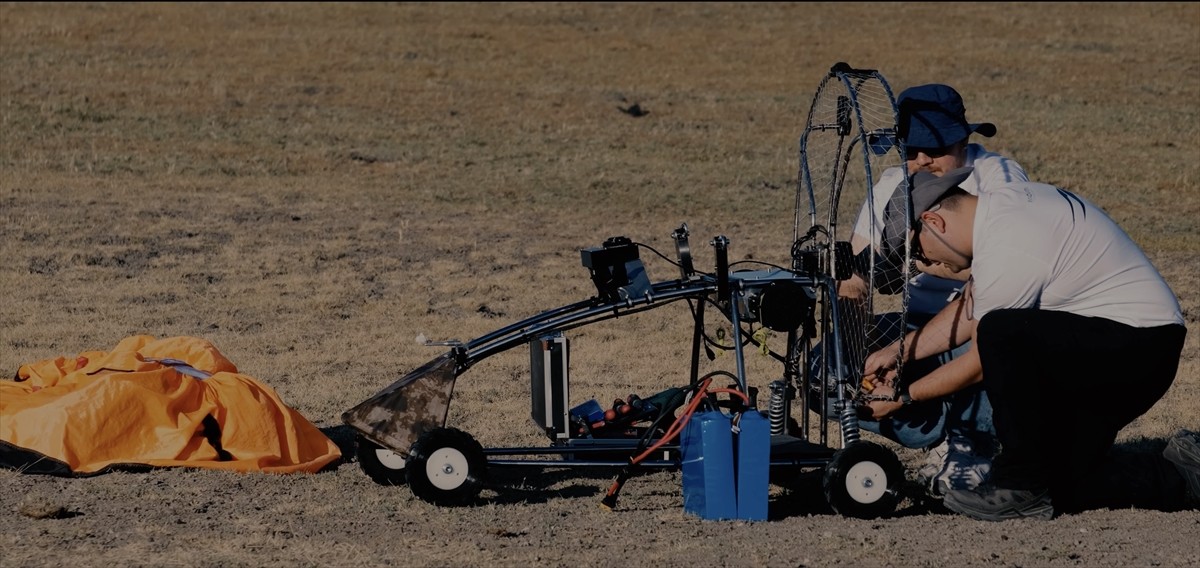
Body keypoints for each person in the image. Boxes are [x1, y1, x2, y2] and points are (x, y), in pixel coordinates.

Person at [862, 167, 1189, 520]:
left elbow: (983, 360)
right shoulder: (1002, 212)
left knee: (1001, 333)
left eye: (919, 254)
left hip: (1137, 345)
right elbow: (972, 309)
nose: (927, 265)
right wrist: (900, 351)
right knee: (1064, 484)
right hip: (1121, 342)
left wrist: (902, 396)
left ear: (934, 222)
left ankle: (1021, 486)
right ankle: (1184, 475)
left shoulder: (1009, 241)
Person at [832, 84, 1028, 493]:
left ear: (964, 140)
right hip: (915, 321)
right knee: (825, 370)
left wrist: (927, 262)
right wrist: (853, 344)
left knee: (997, 334)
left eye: (934, 149)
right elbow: (856, 274)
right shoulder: (890, 184)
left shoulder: (997, 178)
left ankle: (973, 444)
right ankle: (937, 436)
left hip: (978, 317)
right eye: (911, 149)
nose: (921, 161)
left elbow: (1009, 273)